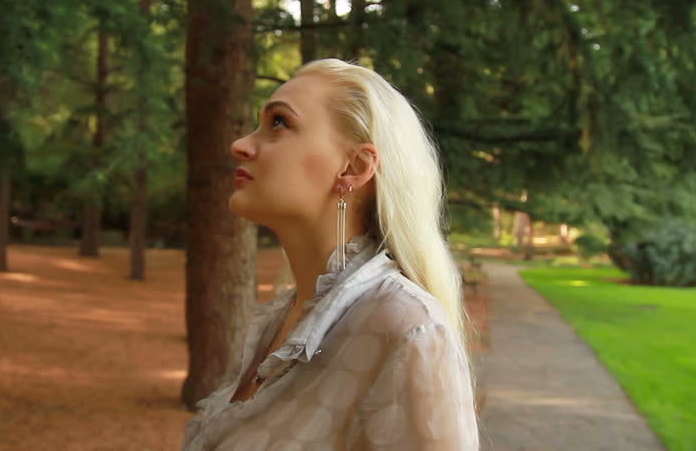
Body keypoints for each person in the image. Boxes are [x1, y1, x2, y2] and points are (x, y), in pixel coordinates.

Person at [181, 58, 480, 450]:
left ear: (353, 167)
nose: (240, 145)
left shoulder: (407, 329)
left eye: (279, 123)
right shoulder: (281, 322)